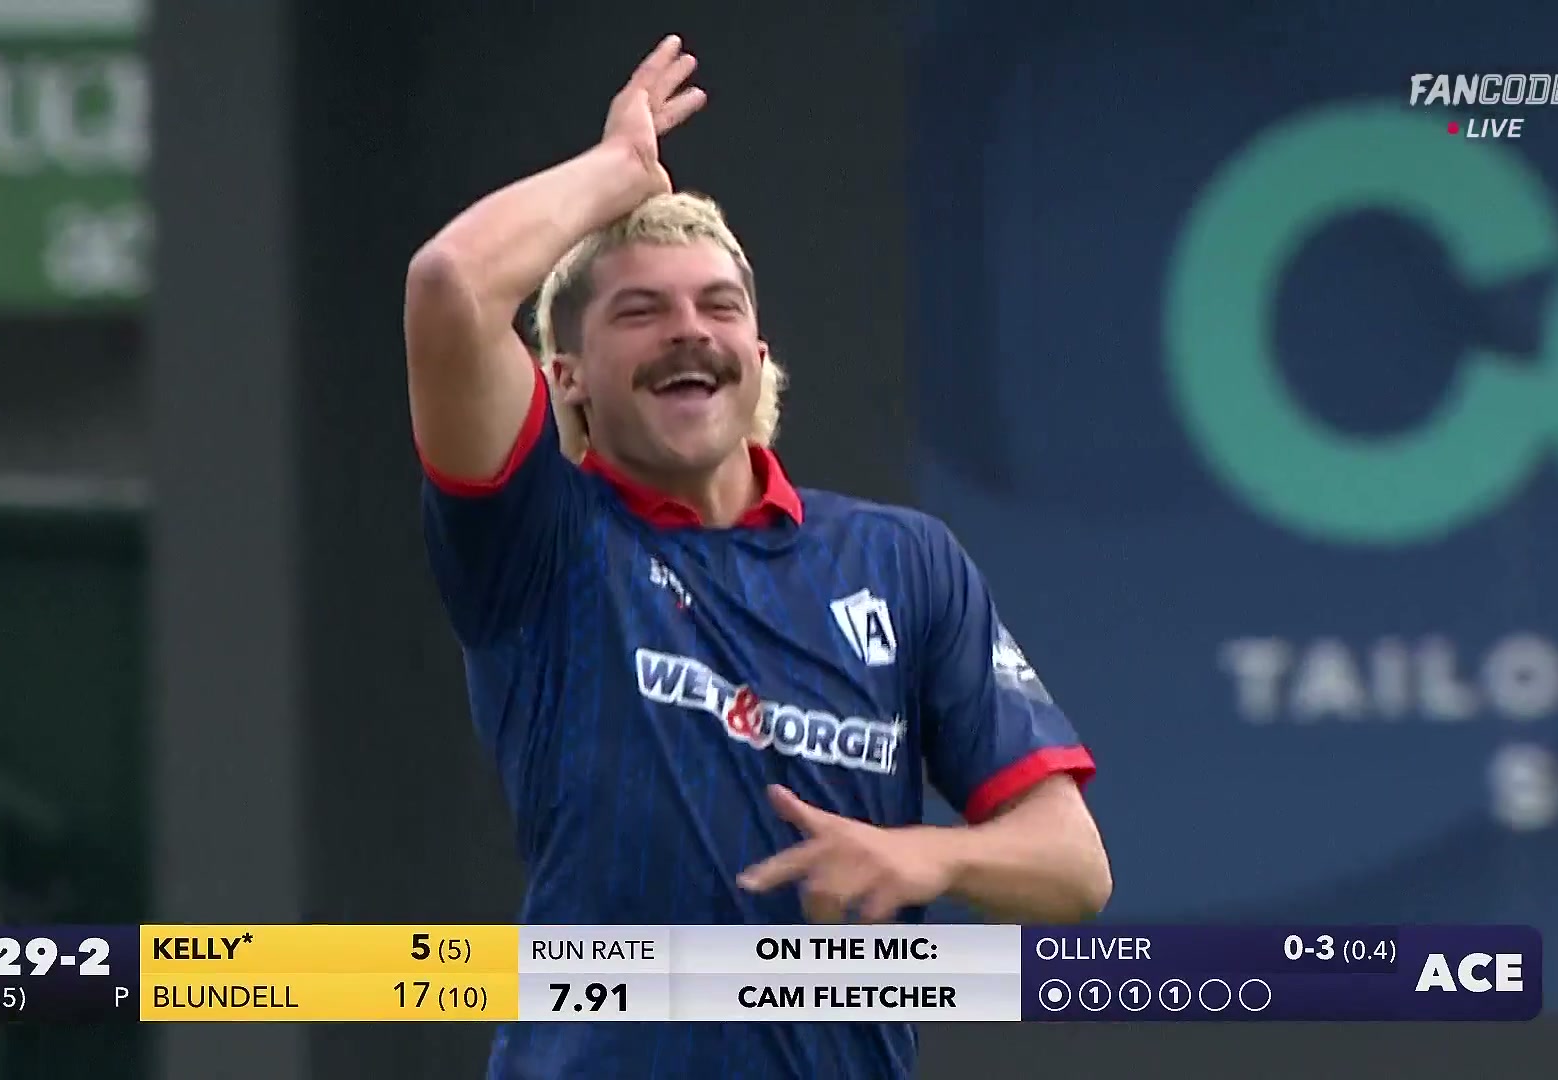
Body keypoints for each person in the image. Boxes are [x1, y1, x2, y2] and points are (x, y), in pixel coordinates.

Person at [405, 35, 1111, 1080]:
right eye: (640, 312)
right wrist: (618, 171)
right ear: (569, 378)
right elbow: (451, 285)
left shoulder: (904, 561)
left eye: (718, 307)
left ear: (759, 356)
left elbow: (1073, 867)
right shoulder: (543, 540)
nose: (688, 332)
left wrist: (925, 855)